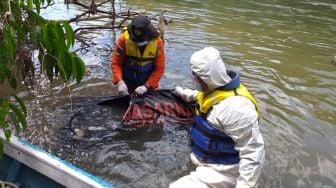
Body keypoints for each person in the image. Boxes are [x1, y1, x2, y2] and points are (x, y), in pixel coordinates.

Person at [170, 47, 265, 188]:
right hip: (205, 161)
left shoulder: (237, 109)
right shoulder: (215, 90)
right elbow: (199, 97)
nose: (194, 80)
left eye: (197, 78)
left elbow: (253, 153)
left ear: (208, 78)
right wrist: (181, 92)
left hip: (225, 171)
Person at [111, 15, 165, 96]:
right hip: (127, 83)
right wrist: (120, 82)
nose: (139, 43)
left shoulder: (158, 42)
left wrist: (147, 86)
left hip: (149, 85)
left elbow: (159, 68)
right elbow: (116, 63)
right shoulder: (123, 39)